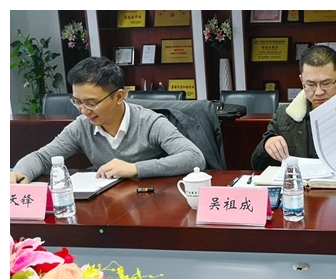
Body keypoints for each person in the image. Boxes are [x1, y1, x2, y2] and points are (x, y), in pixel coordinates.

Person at [10, 56, 205, 184]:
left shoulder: (150, 122)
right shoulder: (81, 127)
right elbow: (43, 157)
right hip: (106, 204)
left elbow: (194, 157)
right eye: (77, 102)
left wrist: (135, 168)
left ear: (119, 97)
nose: (84, 111)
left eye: (92, 103)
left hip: (151, 202)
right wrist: (20, 173)